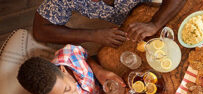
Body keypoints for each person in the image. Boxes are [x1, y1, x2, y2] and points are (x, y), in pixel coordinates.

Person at [33, 0, 187, 47]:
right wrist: (93, 35)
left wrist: (155, 24)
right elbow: (41, 30)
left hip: (159, 11)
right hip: (128, 27)